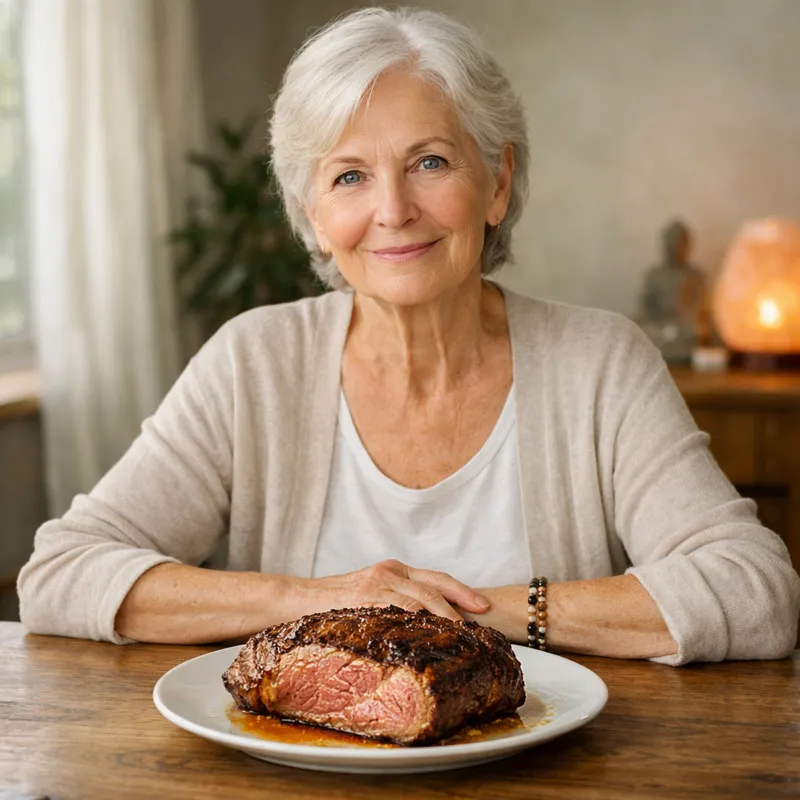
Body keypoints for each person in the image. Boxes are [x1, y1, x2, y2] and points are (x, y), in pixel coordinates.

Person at [18, 7, 799, 665]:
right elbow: (61, 572)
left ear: (496, 183)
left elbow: (754, 589)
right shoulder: (253, 361)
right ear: (314, 217)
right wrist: (321, 600)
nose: (393, 210)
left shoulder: (599, 362)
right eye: (349, 176)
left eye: (430, 161)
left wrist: (479, 610)